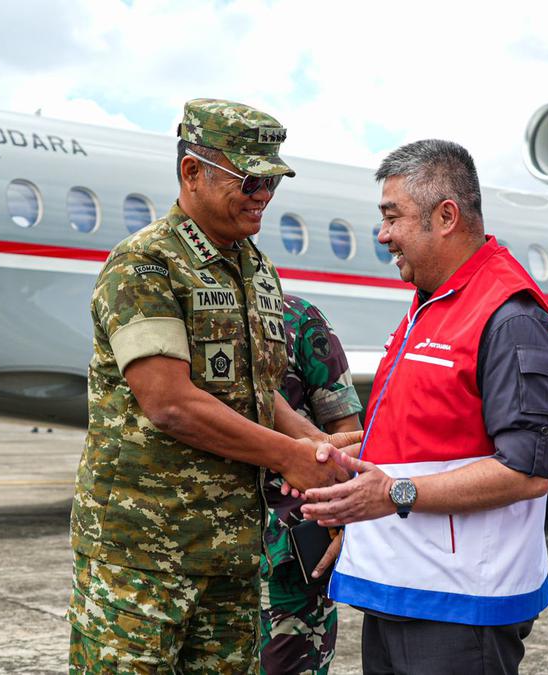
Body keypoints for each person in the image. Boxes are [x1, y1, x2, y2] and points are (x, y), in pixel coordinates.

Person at [69, 99, 351, 674]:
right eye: (249, 179)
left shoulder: (256, 268)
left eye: (271, 181)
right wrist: (291, 456)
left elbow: (254, 389)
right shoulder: (145, 265)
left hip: (233, 558)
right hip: (143, 557)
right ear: (192, 172)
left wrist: (316, 448)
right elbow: (168, 402)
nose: (262, 195)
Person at [300, 140, 548, 675]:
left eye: (392, 216)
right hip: (401, 589)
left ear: (446, 217)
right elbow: (429, 432)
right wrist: (349, 450)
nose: (383, 234)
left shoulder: (509, 317)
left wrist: (394, 493)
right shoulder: (432, 304)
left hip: (462, 606)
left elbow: (529, 470)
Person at [260, 294, 363, 675]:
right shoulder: (191, 319)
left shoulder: (297, 318)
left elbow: (345, 432)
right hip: (211, 550)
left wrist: (342, 517)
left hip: (286, 554)